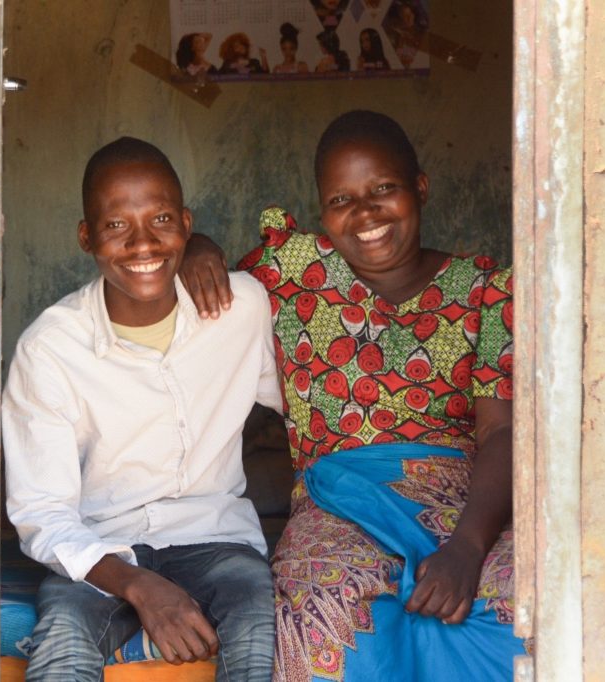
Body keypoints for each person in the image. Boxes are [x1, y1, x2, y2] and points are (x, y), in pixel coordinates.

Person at [180, 111, 525, 680]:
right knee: (324, 610)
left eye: (384, 189)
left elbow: (500, 431)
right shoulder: (294, 271)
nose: (365, 214)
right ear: (322, 213)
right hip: (336, 504)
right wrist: (199, 244)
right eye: (342, 199)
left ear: (420, 188)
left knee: (516, 606)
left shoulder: (486, 291)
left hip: (463, 505)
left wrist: (467, 548)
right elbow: (209, 270)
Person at [3, 137, 281, 681]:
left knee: (259, 627)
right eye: (115, 226)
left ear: (185, 222)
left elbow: (315, 405)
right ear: (86, 237)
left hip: (216, 538)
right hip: (101, 549)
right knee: (62, 638)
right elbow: (42, 514)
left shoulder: (241, 307)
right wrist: (139, 586)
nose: (142, 243)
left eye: (160, 220)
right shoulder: (51, 348)